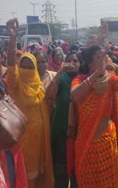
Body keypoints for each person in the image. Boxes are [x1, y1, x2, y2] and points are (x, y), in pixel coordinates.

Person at [70, 45, 118, 188]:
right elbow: (75, 96)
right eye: (99, 57)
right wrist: (97, 73)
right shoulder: (79, 80)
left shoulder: (111, 79)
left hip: (107, 142)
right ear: (89, 62)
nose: (103, 61)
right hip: (87, 144)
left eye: (104, 57)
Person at [6, 19, 54, 188]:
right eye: (23, 66)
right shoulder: (16, 86)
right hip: (23, 140)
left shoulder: (39, 85)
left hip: (41, 138)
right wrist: (13, 39)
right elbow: (11, 65)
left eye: (30, 66)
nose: (26, 69)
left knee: (39, 177)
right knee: (26, 178)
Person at [46, 52, 81, 188]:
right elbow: (49, 94)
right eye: (70, 60)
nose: (73, 63)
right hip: (61, 131)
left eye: (76, 60)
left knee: (77, 171)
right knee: (60, 170)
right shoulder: (62, 78)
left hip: (79, 132)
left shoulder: (84, 80)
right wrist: (60, 71)